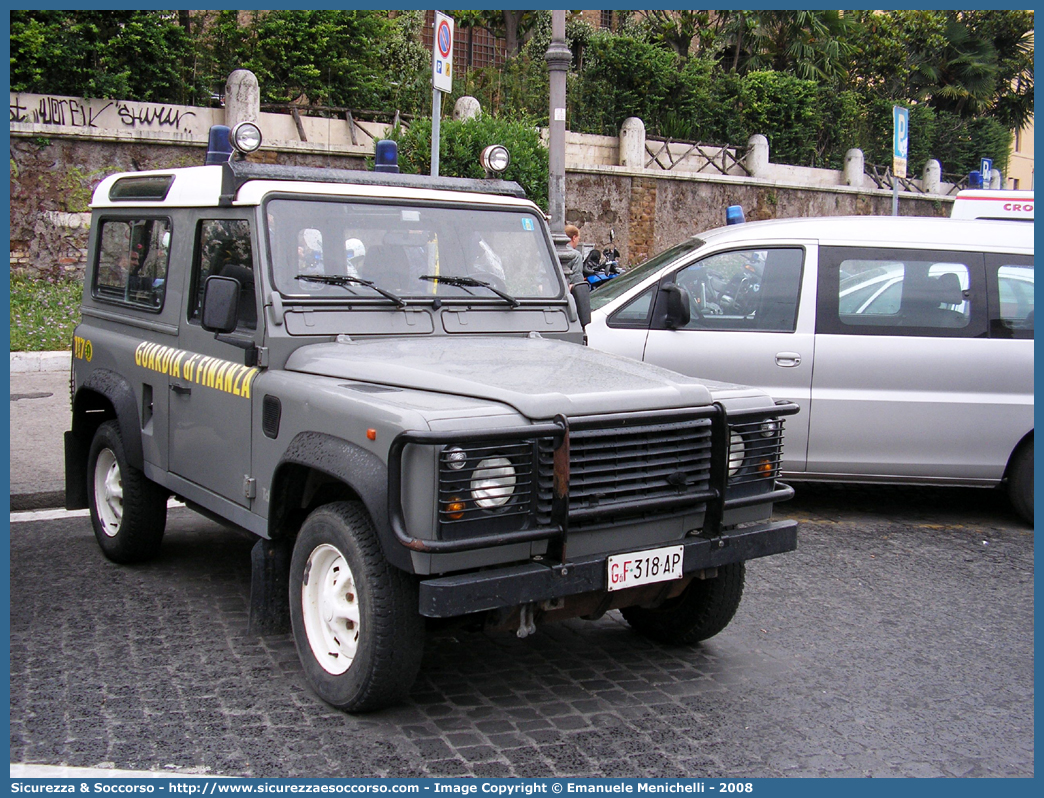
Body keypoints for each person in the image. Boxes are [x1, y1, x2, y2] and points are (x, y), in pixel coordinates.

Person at [560, 224, 591, 328]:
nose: (578, 241)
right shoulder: (576, 255)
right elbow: (578, 281)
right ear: (573, 237)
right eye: (578, 238)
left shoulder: (552, 251)